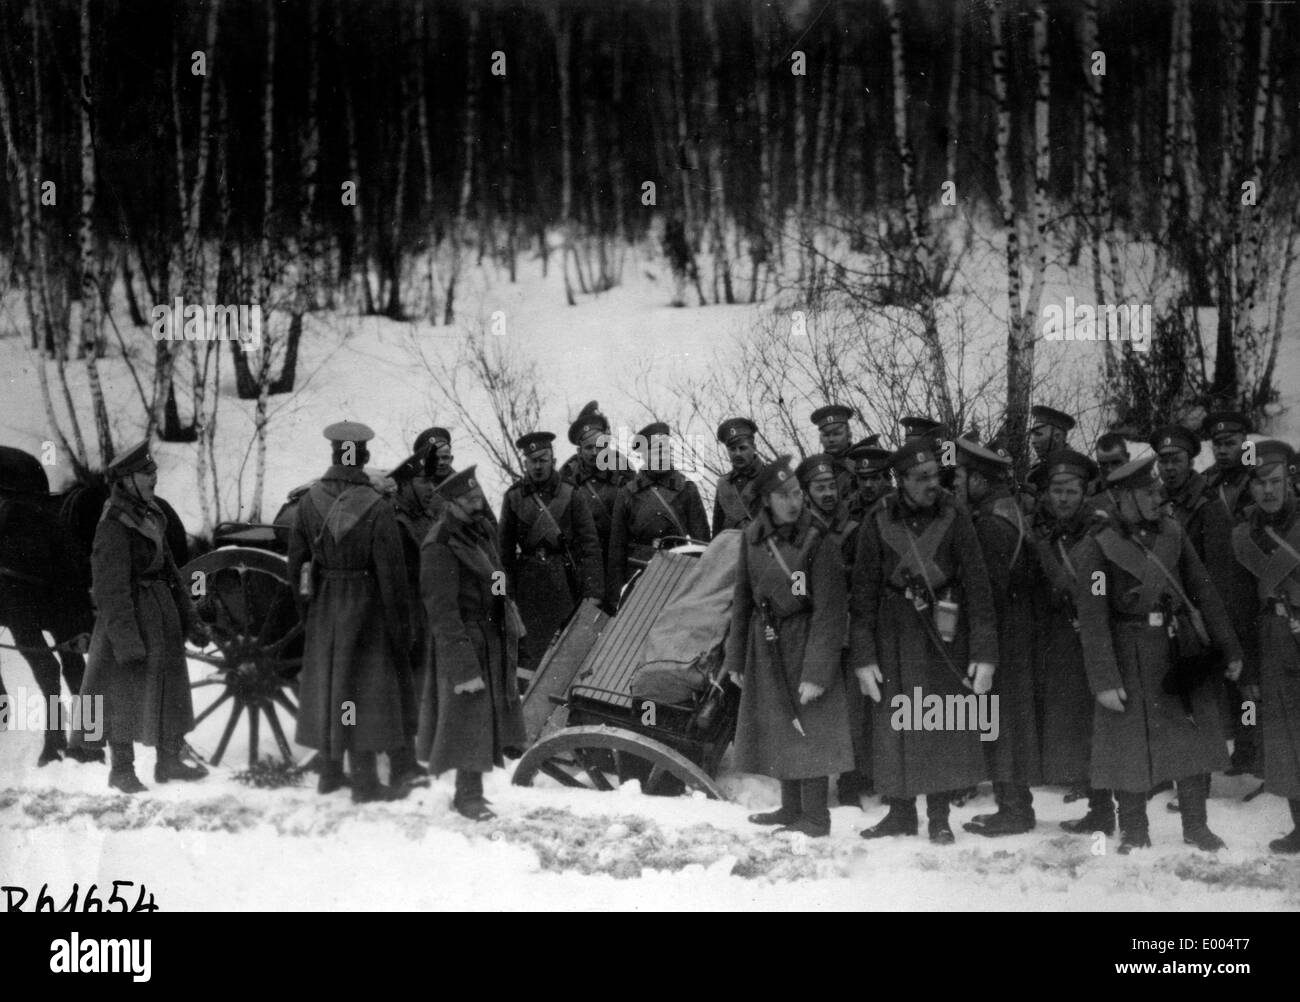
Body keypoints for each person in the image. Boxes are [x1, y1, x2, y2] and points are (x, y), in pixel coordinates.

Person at [1073, 455, 1244, 853]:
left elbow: (1204, 592)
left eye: (1156, 489)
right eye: (1147, 491)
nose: (1158, 495)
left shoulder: (1173, 533)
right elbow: (1093, 615)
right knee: (1126, 746)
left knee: (1190, 740)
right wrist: (1104, 678)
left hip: (1176, 648)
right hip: (1126, 654)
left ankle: (1196, 826)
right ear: (1124, 498)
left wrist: (1229, 648)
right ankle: (1133, 829)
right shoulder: (1099, 546)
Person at [850, 439, 998, 845]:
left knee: (936, 723)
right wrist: (863, 656)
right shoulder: (876, 520)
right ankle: (899, 814)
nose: (933, 484)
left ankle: (938, 816)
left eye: (936, 474)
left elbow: (979, 588)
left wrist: (984, 654)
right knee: (895, 725)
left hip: (944, 633)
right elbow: (861, 593)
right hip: (893, 634)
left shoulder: (955, 516)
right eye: (922, 478)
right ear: (901, 482)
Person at [725, 456, 853, 837]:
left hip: (806, 637)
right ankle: (791, 808)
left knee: (809, 726)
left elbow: (831, 612)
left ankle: (815, 818)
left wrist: (818, 671)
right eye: (784, 496)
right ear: (767, 500)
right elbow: (742, 598)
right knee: (782, 724)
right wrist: (736, 658)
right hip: (766, 643)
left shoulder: (819, 540)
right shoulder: (752, 539)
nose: (794, 502)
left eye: (797, 493)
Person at [287, 422, 414, 803]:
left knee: (334, 688)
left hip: (326, 604)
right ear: (364, 457)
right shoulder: (377, 507)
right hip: (367, 609)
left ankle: (329, 772)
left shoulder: (308, 503)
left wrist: (308, 611)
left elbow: (296, 565)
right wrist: (398, 628)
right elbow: (391, 574)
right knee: (359, 695)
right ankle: (364, 781)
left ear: (333, 455)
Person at [80, 441, 209, 793]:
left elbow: (170, 571)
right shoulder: (113, 523)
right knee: (120, 692)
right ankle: (121, 771)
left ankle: (168, 762)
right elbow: (110, 590)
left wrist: (191, 619)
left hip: (160, 613)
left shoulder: (151, 514)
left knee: (170, 687)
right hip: (129, 620)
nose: (154, 478)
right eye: (146, 473)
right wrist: (126, 641)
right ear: (126, 480)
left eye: (154, 471)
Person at [419, 466, 527, 821]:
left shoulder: (479, 533)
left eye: (479, 497)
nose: (478, 505)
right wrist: (464, 668)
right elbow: (442, 614)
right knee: (469, 719)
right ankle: (467, 797)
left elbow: (497, 576)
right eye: (469, 501)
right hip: (464, 641)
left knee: (484, 719)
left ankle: (474, 791)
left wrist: (502, 610)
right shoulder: (440, 544)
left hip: (489, 635)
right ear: (451, 504)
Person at [954, 438, 1040, 837]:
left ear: (980, 480)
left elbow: (985, 590)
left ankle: (1015, 810)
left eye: (961, 475)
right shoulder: (1009, 511)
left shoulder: (988, 524)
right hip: (1018, 630)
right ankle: (1015, 805)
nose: (956, 481)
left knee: (999, 722)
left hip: (1001, 635)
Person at [1029, 450, 1113, 833]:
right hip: (1061, 640)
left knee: (1103, 723)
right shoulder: (1043, 534)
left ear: (1085, 492)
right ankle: (1096, 806)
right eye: (1056, 491)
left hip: (1098, 638)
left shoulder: (1100, 531)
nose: (1062, 498)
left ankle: (1108, 809)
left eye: (1071, 490)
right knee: (1077, 723)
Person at [1230, 440, 1300, 853]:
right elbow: (1240, 606)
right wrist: (1248, 668)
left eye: (1275, 482)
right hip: (1273, 638)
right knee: (1289, 737)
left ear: (1289, 479)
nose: (1268, 492)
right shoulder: (1243, 536)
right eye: (1260, 485)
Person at [500, 431, 602, 668]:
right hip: (529, 586)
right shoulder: (513, 498)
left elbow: (590, 546)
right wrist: (504, 596)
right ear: (525, 463)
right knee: (532, 656)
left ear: (553, 461)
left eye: (543, 460)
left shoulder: (571, 494)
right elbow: (502, 554)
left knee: (568, 655)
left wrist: (594, 591)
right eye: (532, 460)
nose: (537, 466)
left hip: (566, 583)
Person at [1199, 410, 1261, 776]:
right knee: (1232, 678)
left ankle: (1253, 747)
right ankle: (1240, 744)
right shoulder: (1208, 484)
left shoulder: (1257, 478)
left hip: (1252, 595)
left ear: (1245, 442)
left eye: (1230, 443)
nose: (1223, 450)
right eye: (1217, 444)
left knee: (1252, 678)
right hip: (1219, 595)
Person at [605, 422, 710, 610]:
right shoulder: (628, 494)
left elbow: (702, 543)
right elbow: (617, 550)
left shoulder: (687, 489)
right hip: (640, 575)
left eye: (666, 449)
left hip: (680, 574)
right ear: (644, 455)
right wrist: (615, 596)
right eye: (655, 451)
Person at [561, 404, 633, 567]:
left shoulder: (622, 467)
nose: (594, 452)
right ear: (580, 450)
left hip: (619, 556)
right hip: (583, 559)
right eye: (588, 448)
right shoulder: (567, 474)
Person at [712, 417, 766, 535]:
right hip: (731, 550)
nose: (737, 454)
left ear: (754, 447)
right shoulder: (723, 483)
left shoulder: (770, 476)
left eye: (742, 448)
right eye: (732, 449)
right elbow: (717, 528)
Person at [810, 404, 857, 500]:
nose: (831, 439)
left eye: (837, 434)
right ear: (820, 439)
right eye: (826, 435)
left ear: (849, 435)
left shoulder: (860, 460)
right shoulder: (814, 469)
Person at [847, 440, 893, 517]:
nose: (868, 485)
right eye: (863, 479)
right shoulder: (849, 508)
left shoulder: (897, 506)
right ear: (857, 480)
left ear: (886, 479)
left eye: (874, 478)